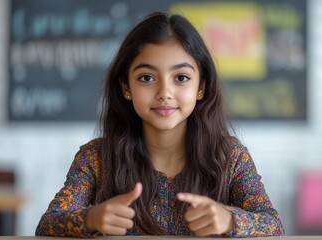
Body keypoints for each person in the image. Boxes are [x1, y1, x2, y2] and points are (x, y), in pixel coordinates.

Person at [35, 12, 284, 237]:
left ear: (201, 87)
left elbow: (274, 227)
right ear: (126, 87)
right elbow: (46, 226)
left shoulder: (230, 157)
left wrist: (230, 221)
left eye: (181, 78)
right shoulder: (96, 158)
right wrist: (91, 218)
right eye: (147, 78)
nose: (165, 92)